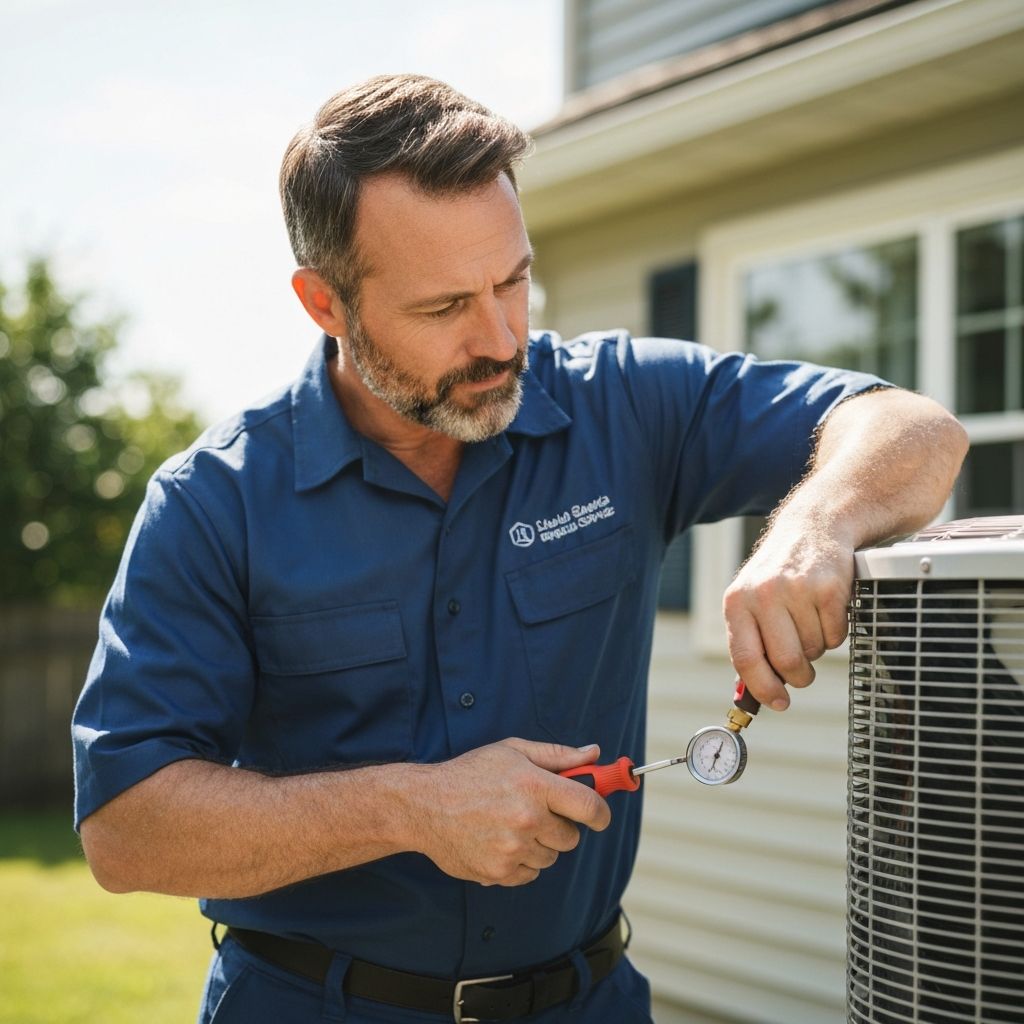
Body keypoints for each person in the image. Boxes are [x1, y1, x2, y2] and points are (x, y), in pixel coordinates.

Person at [72, 74, 967, 1024]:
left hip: (591, 1001)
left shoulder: (625, 404)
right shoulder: (214, 504)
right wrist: (408, 808)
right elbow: (126, 830)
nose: (501, 337)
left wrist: (814, 526)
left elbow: (917, 431)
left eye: (513, 280)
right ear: (325, 303)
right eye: (444, 306)